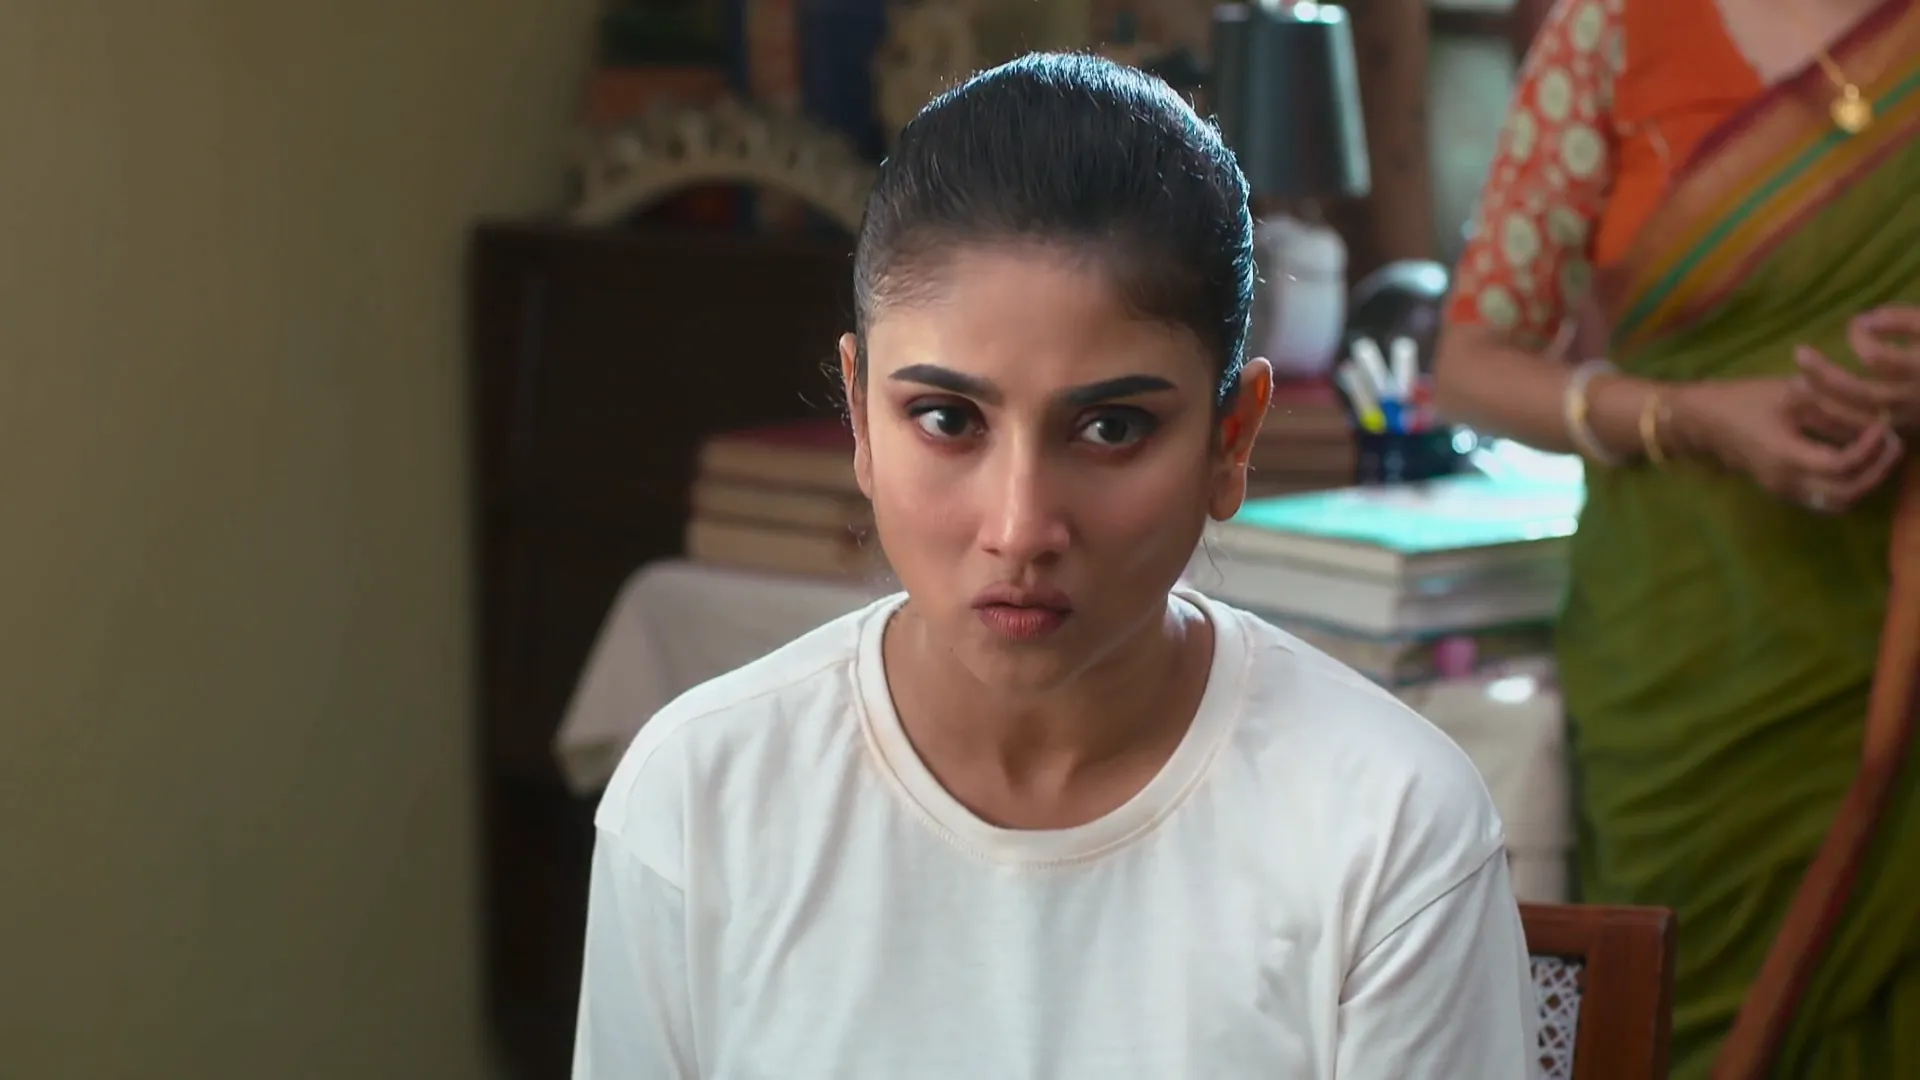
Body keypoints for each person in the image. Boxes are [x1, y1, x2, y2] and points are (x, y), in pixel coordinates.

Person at [573, 54, 1538, 1079]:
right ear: (859, 416)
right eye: (947, 419)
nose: (1021, 527)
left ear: (1232, 439)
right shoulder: (700, 801)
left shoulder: (1386, 826)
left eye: (1112, 428)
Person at [1433, 0, 1920, 1074]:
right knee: (1670, 1009)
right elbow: (1471, 364)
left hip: (1894, 648)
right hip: (1686, 649)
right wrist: (1684, 415)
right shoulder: (1612, 28)